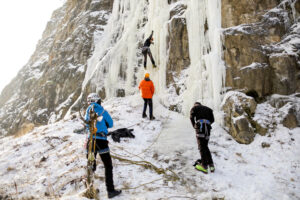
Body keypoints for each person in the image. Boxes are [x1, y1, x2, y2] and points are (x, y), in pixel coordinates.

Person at [85, 93, 122, 198]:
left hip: (90, 141)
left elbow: (86, 124)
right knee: (108, 165)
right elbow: (110, 123)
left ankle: (89, 189)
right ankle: (110, 191)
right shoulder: (102, 111)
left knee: (91, 166)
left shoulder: (87, 112)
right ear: (97, 101)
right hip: (101, 141)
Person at [190, 102, 215, 174]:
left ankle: (204, 165)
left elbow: (191, 117)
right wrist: (207, 123)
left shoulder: (194, 108)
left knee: (201, 146)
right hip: (208, 128)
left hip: (200, 127)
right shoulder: (209, 109)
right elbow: (212, 120)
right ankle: (211, 165)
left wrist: (194, 125)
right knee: (205, 146)